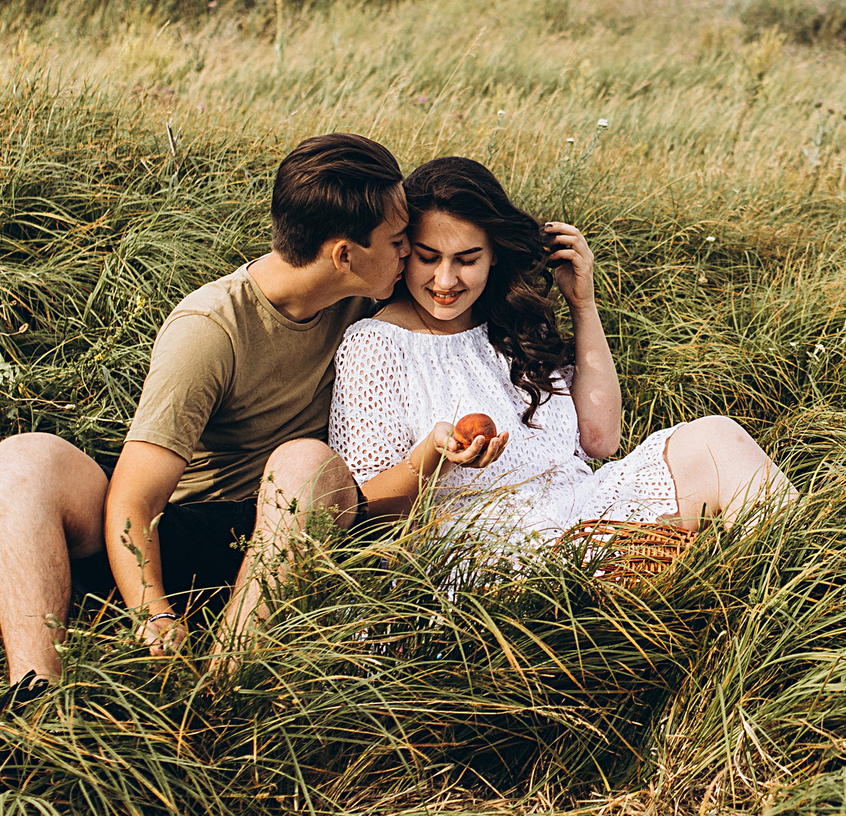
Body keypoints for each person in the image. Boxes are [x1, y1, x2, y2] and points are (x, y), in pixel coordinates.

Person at [0, 132, 409, 701]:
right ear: (343, 254)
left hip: (289, 530)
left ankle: (223, 687)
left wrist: (575, 298)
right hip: (182, 535)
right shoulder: (210, 328)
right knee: (24, 457)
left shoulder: (374, 294)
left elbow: (472, 261)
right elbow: (136, 499)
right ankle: (33, 694)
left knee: (306, 462)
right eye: (400, 241)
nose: (411, 254)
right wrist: (152, 613)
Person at [330, 155, 794, 559]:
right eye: (428, 258)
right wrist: (434, 455)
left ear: (494, 256)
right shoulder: (375, 344)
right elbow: (366, 507)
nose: (446, 281)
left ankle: (812, 585)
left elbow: (601, 441)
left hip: (582, 506)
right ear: (404, 250)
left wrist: (583, 304)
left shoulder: (507, 322)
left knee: (718, 438)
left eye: (467, 260)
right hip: (485, 544)